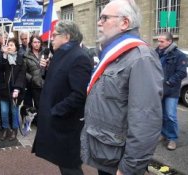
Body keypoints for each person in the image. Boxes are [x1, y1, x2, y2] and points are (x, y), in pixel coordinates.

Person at [80, 0, 164, 174]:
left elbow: (145, 121)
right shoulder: (113, 53)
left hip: (119, 163)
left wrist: (128, 169)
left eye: (104, 17)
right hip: (106, 154)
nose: (98, 22)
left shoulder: (141, 58)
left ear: (124, 23)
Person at [32, 20, 94, 175]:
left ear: (66, 37)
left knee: (69, 166)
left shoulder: (79, 57)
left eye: (54, 35)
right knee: (63, 163)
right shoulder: (61, 54)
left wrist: (56, 111)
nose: (51, 38)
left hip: (66, 123)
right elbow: (56, 80)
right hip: (57, 120)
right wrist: (45, 69)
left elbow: (79, 94)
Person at [156, 32, 187, 150]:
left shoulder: (179, 55)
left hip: (171, 90)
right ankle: (164, 134)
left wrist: (169, 82)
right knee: (161, 114)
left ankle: (172, 138)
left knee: (170, 115)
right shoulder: (156, 53)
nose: (159, 43)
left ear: (169, 41)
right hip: (159, 89)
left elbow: (182, 72)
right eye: (158, 40)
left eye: (162, 41)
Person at [0, 38, 26, 141]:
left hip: (15, 91)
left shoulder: (20, 59)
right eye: (8, 45)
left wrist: (17, 89)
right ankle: (6, 129)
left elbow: (21, 75)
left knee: (14, 111)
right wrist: (4, 55)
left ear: (16, 47)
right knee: (4, 111)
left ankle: (15, 129)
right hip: (3, 89)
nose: (9, 46)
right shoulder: (3, 58)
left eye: (12, 45)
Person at [23, 34, 44, 111]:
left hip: (45, 83)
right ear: (31, 43)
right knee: (38, 105)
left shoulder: (45, 53)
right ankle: (38, 121)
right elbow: (23, 71)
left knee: (45, 105)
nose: (37, 44)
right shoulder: (26, 55)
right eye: (35, 42)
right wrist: (32, 79)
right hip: (34, 85)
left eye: (38, 42)